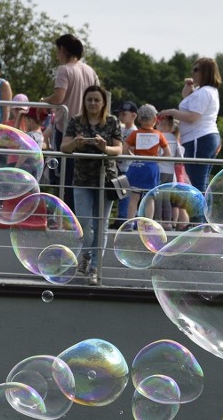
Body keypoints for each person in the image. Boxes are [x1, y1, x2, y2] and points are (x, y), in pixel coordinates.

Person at [60, 85, 122, 286]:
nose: (93, 103)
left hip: (105, 179)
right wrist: (75, 144)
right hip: (82, 179)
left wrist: (105, 147)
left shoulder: (112, 121)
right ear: (84, 103)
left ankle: (95, 267)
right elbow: (64, 147)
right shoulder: (76, 121)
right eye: (89, 100)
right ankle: (86, 255)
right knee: (85, 223)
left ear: (103, 102)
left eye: (96, 100)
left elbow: (118, 149)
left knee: (101, 225)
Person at [42, 33, 100, 208]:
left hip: (67, 128)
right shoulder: (90, 71)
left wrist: (43, 100)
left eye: (57, 50)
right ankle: (80, 214)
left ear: (63, 49)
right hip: (89, 128)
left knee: (63, 176)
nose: (57, 55)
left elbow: (59, 97)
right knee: (82, 176)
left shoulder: (64, 70)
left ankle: (66, 216)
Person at [162, 57, 222, 193]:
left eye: (196, 69)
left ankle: (199, 214)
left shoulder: (204, 92)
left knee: (197, 184)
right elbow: (187, 99)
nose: (192, 72)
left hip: (199, 139)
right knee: (201, 181)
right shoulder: (206, 91)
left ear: (205, 72)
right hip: (205, 138)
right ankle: (204, 213)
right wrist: (189, 89)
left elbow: (193, 117)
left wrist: (172, 112)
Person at [123, 104, 170, 220]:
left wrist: (132, 155)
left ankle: (129, 222)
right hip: (151, 167)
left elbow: (124, 150)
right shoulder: (159, 135)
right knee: (150, 198)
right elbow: (168, 153)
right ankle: (148, 224)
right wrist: (157, 159)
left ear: (139, 119)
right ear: (155, 119)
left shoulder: (135, 134)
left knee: (134, 197)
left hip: (137, 166)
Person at [155, 113, 182, 229]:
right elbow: (180, 157)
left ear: (160, 125)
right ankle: (168, 222)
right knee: (167, 198)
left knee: (157, 197)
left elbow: (157, 154)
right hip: (170, 172)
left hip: (160, 170)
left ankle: (158, 221)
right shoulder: (174, 139)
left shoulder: (159, 136)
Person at [114, 101, 138, 224]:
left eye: (124, 114)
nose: (120, 116)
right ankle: (120, 217)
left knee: (125, 194)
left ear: (133, 115)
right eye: (120, 114)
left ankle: (123, 218)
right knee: (120, 194)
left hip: (127, 166)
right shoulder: (121, 129)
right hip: (118, 166)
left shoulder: (135, 132)